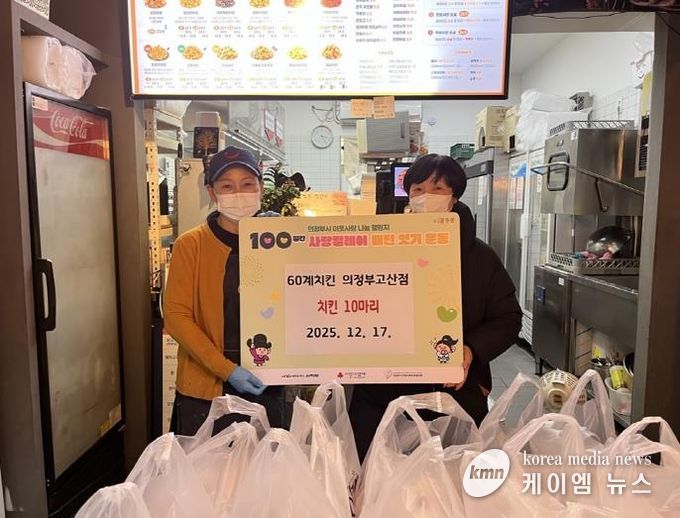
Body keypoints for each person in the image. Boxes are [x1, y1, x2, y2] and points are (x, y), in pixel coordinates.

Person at [349, 153, 522, 461]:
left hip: (456, 392)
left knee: (451, 478)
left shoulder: (481, 258)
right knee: (381, 476)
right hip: (383, 393)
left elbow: (508, 318)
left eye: (438, 189)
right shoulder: (377, 246)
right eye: (418, 189)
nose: (426, 197)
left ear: (454, 197)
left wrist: (471, 349)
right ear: (408, 195)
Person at [164, 146, 285, 436]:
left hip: (268, 381)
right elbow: (177, 317)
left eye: (247, 184)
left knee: (265, 463)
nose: (238, 194)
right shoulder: (191, 244)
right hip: (206, 391)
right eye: (227, 186)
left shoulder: (280, 241)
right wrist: (227, 369)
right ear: (212, 192)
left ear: (260, 188)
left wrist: (288, 238)